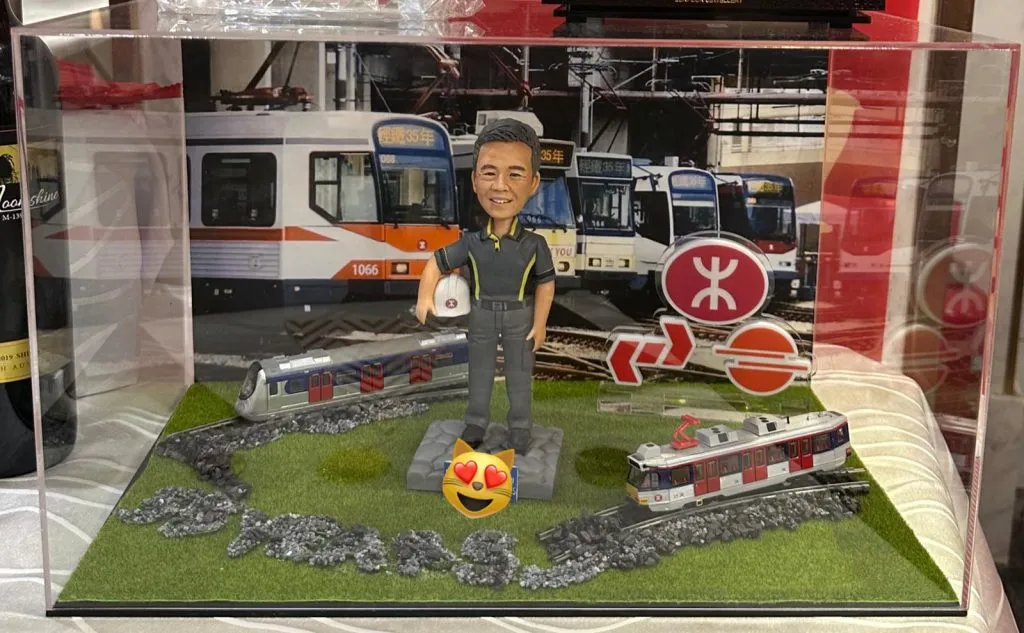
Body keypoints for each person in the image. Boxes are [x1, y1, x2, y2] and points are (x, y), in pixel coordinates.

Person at [415, 118, 556, 455]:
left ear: (534, 183)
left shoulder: (535, 245)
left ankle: (520, 427)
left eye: (515, 174)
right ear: (475, 181)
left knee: (519, 374)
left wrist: (540, 323)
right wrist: (424, 299)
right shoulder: (471, 242)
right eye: (489, 173)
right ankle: (475, 423)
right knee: (479, 371)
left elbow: (546, 284)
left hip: (520, 316)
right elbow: (435, 262)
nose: (500, 186)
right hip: (480, 315)